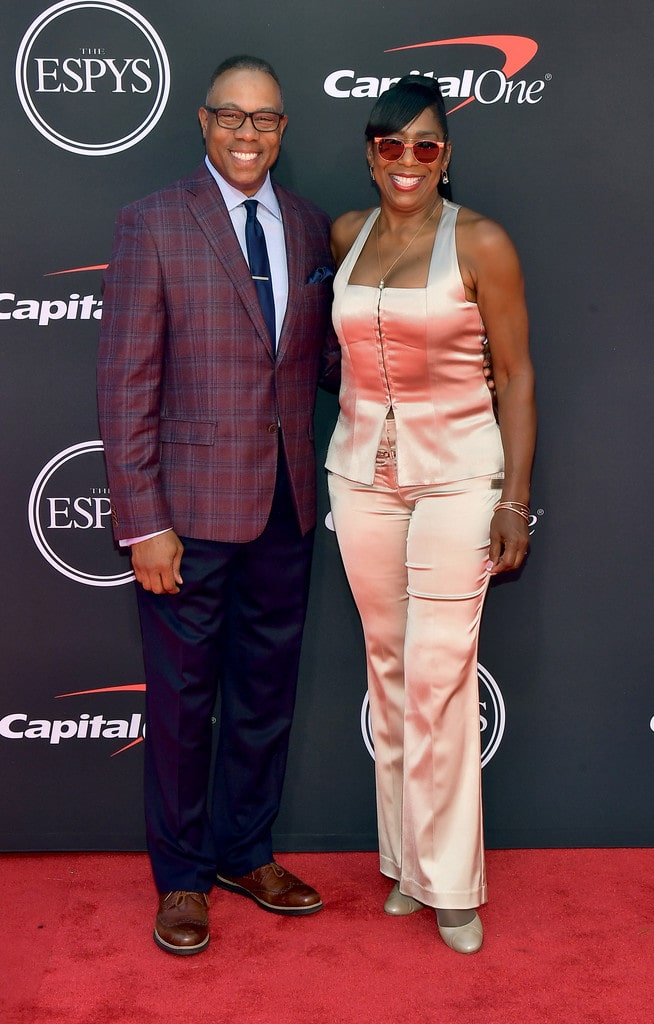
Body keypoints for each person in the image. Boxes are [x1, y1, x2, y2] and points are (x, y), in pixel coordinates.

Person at [97, 54, 339, 956]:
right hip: (186, 519)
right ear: (202, 123)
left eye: (266, 119)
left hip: (286, 507)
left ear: (283, 130)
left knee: (266, 698)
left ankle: (246, 852)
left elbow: (318, 366)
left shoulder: (312, 230)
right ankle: (184, 878)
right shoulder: (152, 224)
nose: (248, 133)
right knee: (183, 700)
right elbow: (126, 388)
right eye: (232, 117)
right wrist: (143, 522)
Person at [325, 75, 536, 954]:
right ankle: (406, 861)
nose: (406, 160)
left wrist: (515, 499)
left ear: (446, 156)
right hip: (361, 478)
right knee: (388, 671)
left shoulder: (482, 242)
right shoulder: (345, 234)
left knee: (441, 673)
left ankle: (451, 882)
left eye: (425, 146)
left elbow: (517, 376)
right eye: (389, 144)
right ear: (369, 155)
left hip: (458, 479)